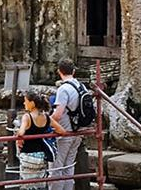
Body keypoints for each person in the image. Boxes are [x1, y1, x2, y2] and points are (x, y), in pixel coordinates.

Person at [16, 90, 66, 190]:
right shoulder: (46, 118)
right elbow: (62, 131)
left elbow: (21, 133)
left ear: (32, 103)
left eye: (26, 101)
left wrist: (18, 133)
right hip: (41, 155)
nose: (24, 103)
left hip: (28, 155)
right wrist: (50, 133)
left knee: (27, 185)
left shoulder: (27, 117)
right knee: (40, 184)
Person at [49, 58, 82, 190]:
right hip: (78, 130)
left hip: (64, 131)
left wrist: (46, 121)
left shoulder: (64, 89)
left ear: (59, 72)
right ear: (73, 71)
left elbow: (58, 114)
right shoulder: (80, 86)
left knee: (57, 167)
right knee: (69, 165)